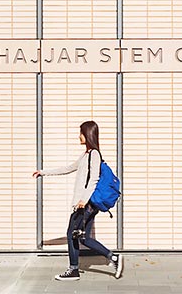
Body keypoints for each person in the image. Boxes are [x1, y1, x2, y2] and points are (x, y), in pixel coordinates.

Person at [33, 120, 124, 281]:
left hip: (85, 204)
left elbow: (94, 180)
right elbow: (68, 168)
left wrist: (83, 200)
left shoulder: (94, 154)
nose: (79, 136)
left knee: (71, 234)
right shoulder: (86, 155)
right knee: (84, 238)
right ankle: (113, 257)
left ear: (88, 134)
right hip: (85, 203)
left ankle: (73, 269)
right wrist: (43, 172)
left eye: (81, 132)